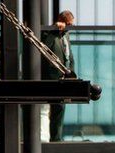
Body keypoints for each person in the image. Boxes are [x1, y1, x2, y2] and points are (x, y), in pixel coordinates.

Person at [41, 11, 76, 142]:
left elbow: (69, 56)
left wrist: (71, 72)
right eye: (69, 24)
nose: (70, 27)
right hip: (50, 78)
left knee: (59, 109)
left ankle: (56, 139)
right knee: (46, 109)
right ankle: (46, 139)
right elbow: (44, 49)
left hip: (64, 78)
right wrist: (54, 30)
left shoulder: (66, 35)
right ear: (62, 21)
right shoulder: (48, 33)